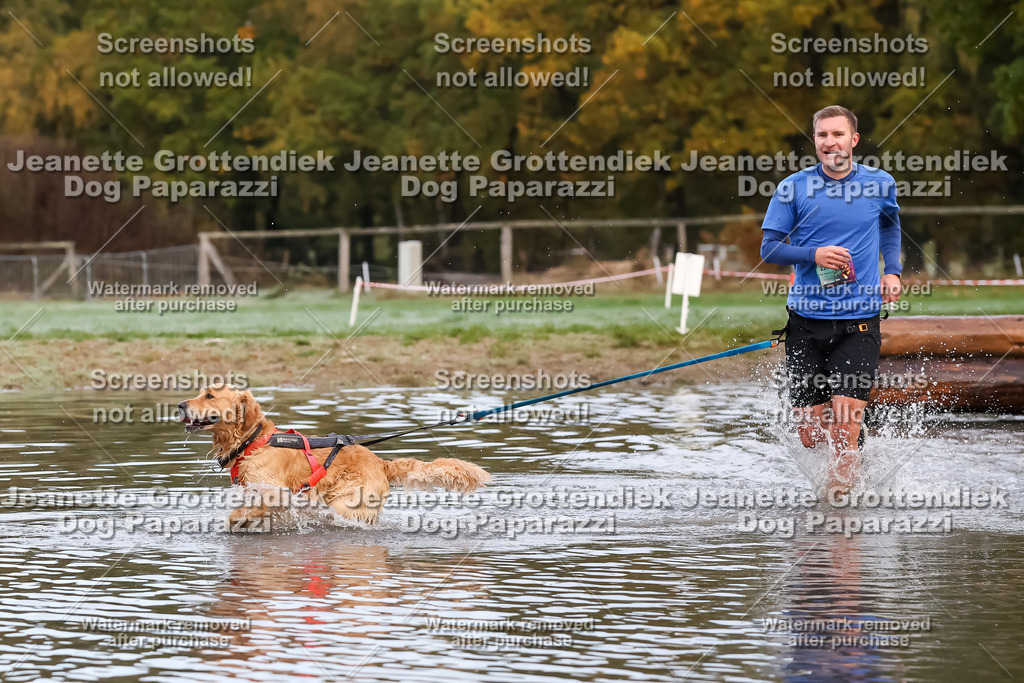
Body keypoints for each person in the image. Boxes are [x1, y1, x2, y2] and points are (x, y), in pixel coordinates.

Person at [760, 104, 902, 491]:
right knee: (810, 432)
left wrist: (892, 270)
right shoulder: (793, 188)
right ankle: (854, 446)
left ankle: (839, 514)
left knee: (842, 427)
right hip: (806, 323)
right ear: (815, 140)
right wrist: (813, 254)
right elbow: (768, 249)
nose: (830, 142)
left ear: (853, 140)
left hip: (858, 322)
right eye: (822, 135)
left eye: (838, 134)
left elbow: (890, 227)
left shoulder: (879, 184)